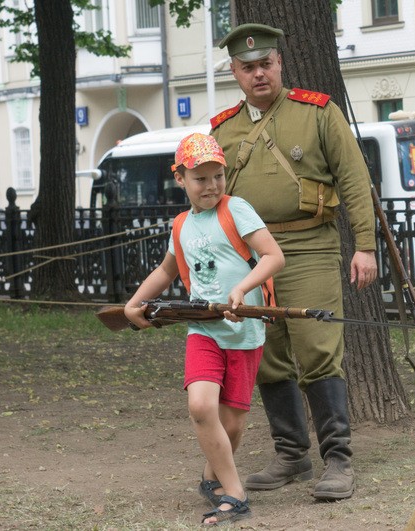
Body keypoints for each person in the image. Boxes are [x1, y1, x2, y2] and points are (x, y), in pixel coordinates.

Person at [211, 23, 377, 501]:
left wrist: (363, 245)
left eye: (266, 64)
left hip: (309, 247)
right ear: (235, 73)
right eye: (248, 68)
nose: (258, 74)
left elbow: (353, 178)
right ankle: (291, 454)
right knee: (267, 353)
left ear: (279, 63)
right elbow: (211, 199)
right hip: (251, 258)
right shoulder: (223, 129)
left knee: (317, 348)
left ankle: (339, 460)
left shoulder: (318, 113)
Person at [124, 132, 285, 525]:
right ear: (180, 178)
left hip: (245, 331)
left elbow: (273, 256)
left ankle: (212, 477)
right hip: (203, 330)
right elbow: (166, 270)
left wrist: (243, 288)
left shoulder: (237, 209)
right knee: (200, 406)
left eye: (217, 176)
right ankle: (234, 492)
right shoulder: (181, 226)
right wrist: (134, 303)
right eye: (200, 178)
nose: (211, 186)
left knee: (231, 424)